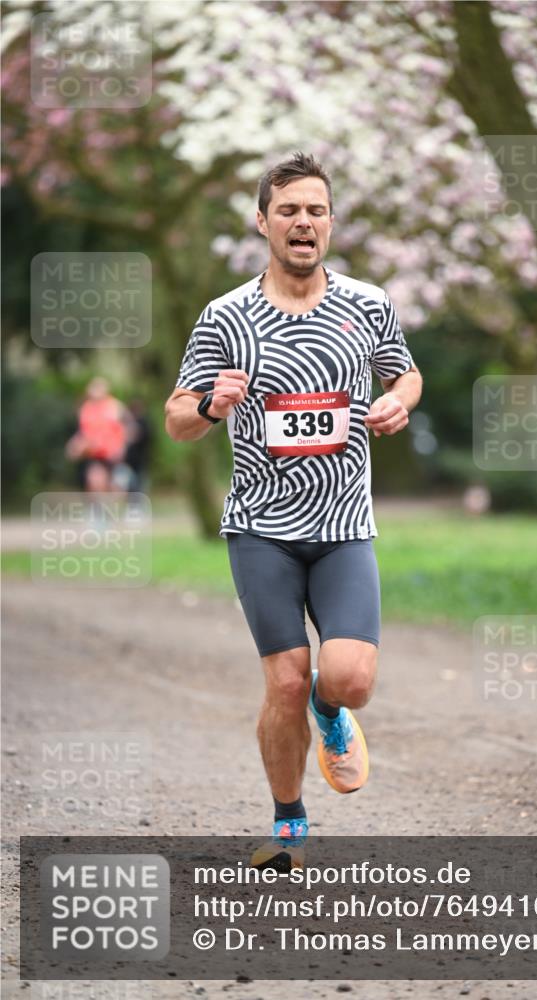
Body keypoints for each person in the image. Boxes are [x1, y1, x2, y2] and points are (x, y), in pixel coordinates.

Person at [165, 152, 423, 869]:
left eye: (314, 210)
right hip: (261, 530)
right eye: (287, 210)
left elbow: (405, 371)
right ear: (262, 222)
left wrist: (397, 402)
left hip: (343, 527)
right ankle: (287, 830)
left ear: (331, 223)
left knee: (347, 679)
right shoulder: (226, 316)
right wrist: (213, 406)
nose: (302, 222)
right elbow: (176, 418)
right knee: (282, 679)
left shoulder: (367, 306)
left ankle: (330, 712)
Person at [65, 377, 129, 494]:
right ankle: (96, 508)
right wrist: (75, 444)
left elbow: (127, 426)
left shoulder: (115, 406)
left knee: (115, 489)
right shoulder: (86, 409)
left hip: (112, 453)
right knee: (95, 480)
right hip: (95, 453)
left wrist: (122, 446)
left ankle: (121, 484)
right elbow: (83, 431)